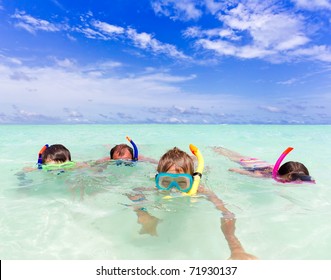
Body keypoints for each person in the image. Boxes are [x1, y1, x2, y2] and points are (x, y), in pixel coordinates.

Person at [127, 146, 257, 260]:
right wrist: (142, 213)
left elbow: (227, 214)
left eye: (182, 182)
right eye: (166, 181)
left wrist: (236, 248)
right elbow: (133, 192)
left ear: (192, 181)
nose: (173, 188)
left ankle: (198, 161)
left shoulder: (201, 190)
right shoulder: (156, 188)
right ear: (158, 180)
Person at [213, 146, 314, 183]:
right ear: (288, 176)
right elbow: (233, 169)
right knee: (233, 157)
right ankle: (216, 149)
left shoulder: (292, 177)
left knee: (238, 156)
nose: (297, 182)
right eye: (294, 179)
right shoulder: (262, 176)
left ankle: (218, 148)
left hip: (260, 163)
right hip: (250, 165)